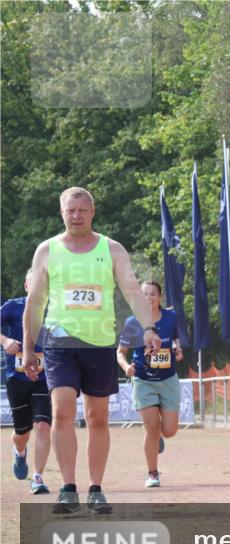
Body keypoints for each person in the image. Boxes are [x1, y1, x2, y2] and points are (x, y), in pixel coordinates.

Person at [22, 187, 160, 514]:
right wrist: (29, 348)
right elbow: (35, 302)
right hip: (59, 342)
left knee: (98, 417)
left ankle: (96, 488)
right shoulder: (47, 250)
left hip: (99, 343)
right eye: (71, 210)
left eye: (83, 210)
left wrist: (149, 328)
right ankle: (68, 488)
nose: (77, 215)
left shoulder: (111, 249)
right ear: (62, 213)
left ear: (93, 212)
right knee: (62, 410)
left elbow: (130, 290)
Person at [117, 281, 183, 488]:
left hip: (168, 379)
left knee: (170, 430)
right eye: (145, 295)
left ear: (160, 297)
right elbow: (120, 352)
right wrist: (126, 366)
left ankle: (158, 437)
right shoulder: (132, 322)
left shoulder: (171, 317)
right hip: (144, 380)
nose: (149, 298)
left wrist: (177, 349)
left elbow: (175, 338)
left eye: (153, 294)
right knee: (151, 428)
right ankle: (153, 473)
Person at [1, 270, 53, 494]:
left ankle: (38, 477)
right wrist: (4, 341)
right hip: (17, 379)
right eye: (34, 283)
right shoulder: (12, 307)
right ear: (26, 286)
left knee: (43, 425)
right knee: (22, 432)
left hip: (44, 378)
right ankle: (19, 453)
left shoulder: (54, 310)